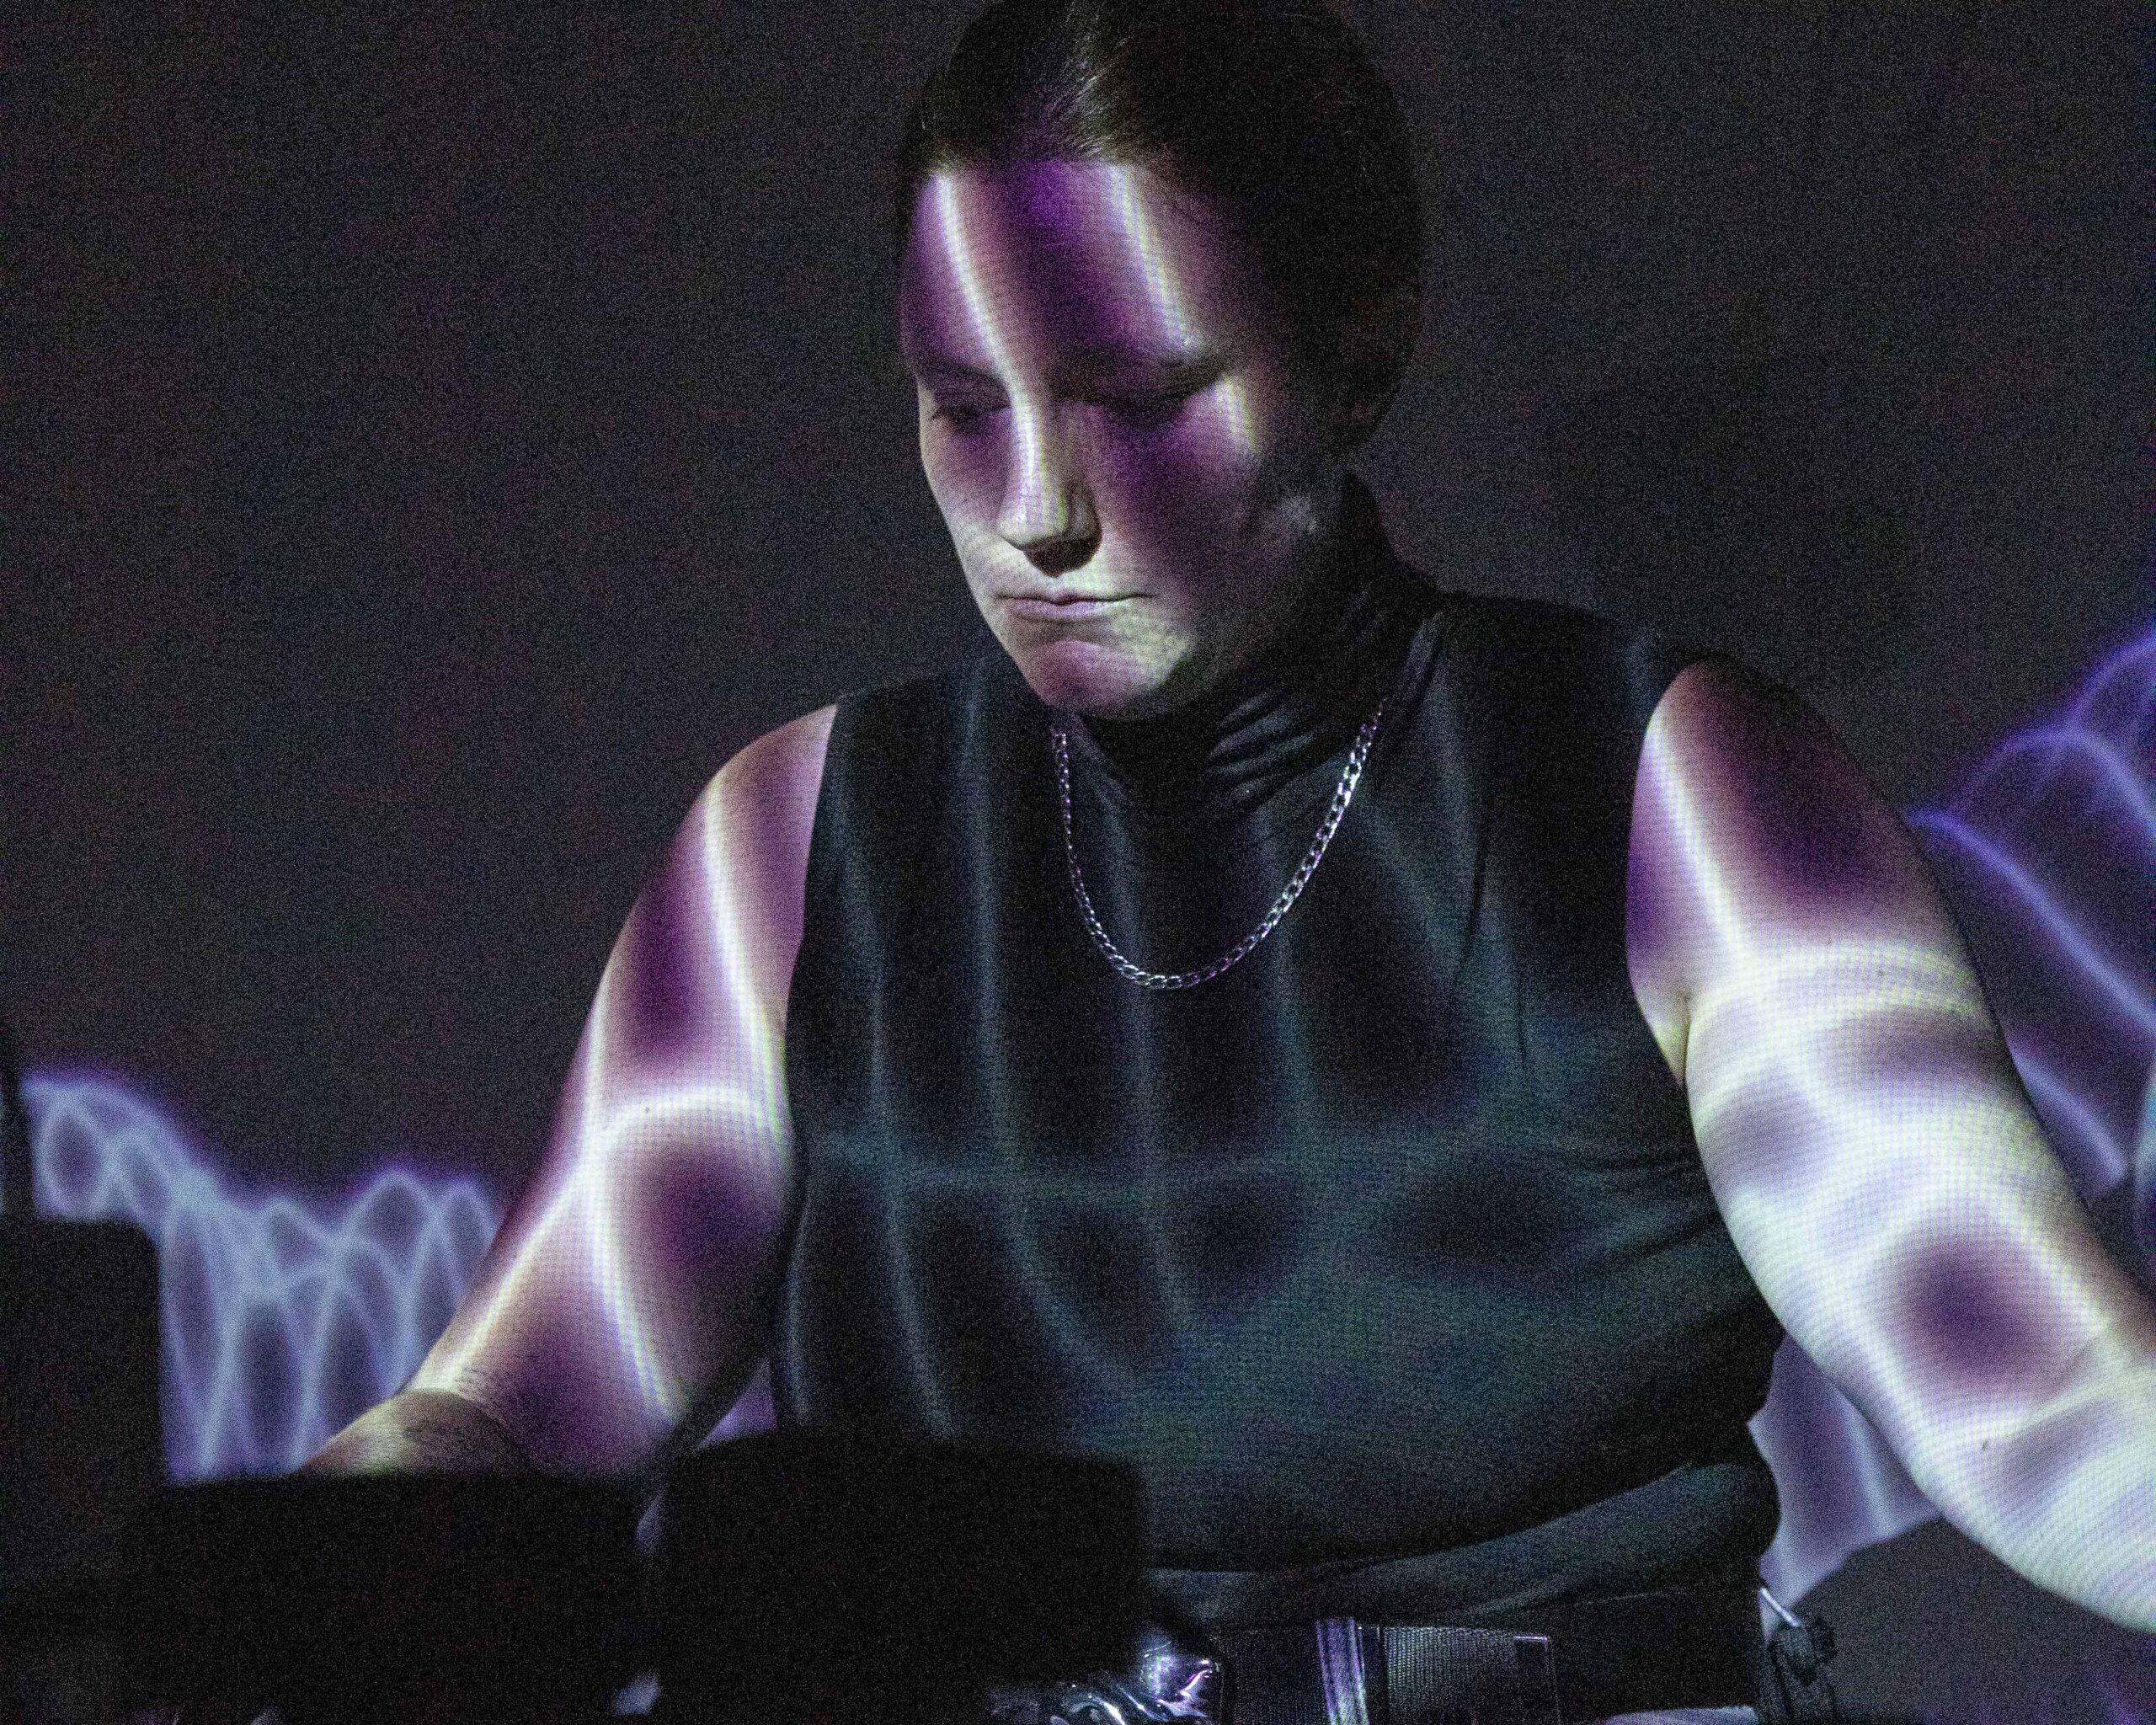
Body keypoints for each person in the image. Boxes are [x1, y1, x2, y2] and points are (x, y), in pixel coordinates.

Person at [307, 3, 2156, 1720]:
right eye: (962, 406)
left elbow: (2041, 1397)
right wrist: (354, 1533)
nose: (1033, 510)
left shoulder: (1671, 796)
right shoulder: (792, 848)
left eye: (1137, 398)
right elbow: (510, 1420)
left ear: (1358, 355)